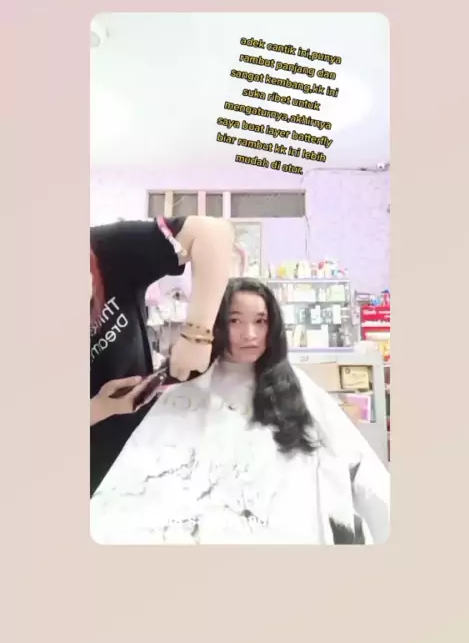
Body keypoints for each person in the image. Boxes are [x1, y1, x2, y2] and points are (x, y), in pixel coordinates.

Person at [90, 278, 390, 545]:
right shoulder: (186, 389)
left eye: (260, 321)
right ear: (217, 324)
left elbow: (360, 464)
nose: (250, 334)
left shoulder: (296, 387)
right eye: (235, 321)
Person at [90, 215, 234, 496]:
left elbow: (213, 233)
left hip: (138, 450)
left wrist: (197, 334)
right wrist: (100, 408)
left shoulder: (108, 249)